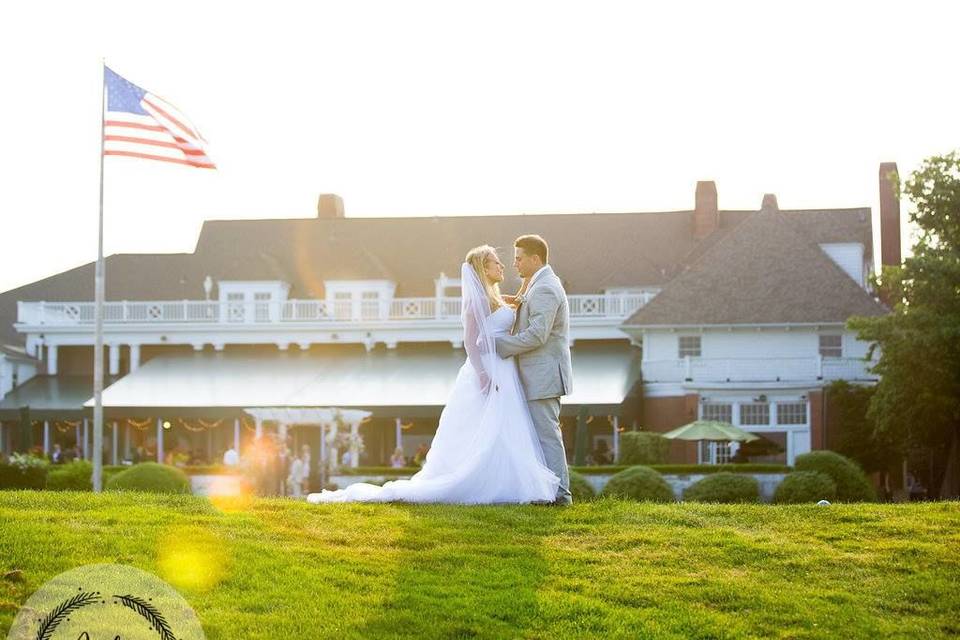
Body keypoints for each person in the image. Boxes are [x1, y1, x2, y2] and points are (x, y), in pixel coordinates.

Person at [308, 244, 561, 504]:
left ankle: (511, 482)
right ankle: (483, 482)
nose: (503, 266)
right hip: (490, 370)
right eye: (496, 263)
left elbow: (503, 312)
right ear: (483, 269)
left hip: (505, 369)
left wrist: (516, 299)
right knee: (489, 427)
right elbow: (471, 342)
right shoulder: (478, 301)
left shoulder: (495, 299)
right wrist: (484, 376)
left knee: (507, 426)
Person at [494, 234, 574, 505]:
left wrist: (499, 345)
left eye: (518, 258)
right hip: (537, 376)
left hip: (544, 376)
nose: (514, 264)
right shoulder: (535, 285)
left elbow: (538, 335)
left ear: (535, 259)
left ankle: (561, 496)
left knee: (548, 436)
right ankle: (547, 493)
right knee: (539, 436)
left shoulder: (545, 288)